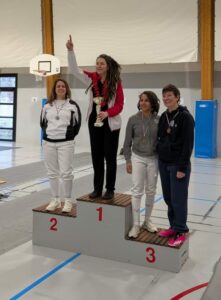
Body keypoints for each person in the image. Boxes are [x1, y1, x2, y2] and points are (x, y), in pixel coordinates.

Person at [66, 35, 124, 200]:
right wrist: (70, 51)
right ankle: (97, 188)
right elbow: (74, 69)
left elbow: (120, 104)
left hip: (110, 123)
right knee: (96, 156)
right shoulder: (92, 78)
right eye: (97, 63)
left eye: (101, 63)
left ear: (107, 66)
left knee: (109, 157)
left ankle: (110, 189)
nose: (98, 65)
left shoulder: (116, 82)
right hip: (94, 121)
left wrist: (108, 113)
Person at [157, 84, 194, 247]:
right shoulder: (164, 116)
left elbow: (188, 144)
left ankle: (181, 230)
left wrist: (182, 167)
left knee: (178, 199)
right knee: (168, 198)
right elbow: (160, 138)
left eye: (169, 95)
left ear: (177, 97)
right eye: (164, 96)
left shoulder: (185, 117)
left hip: (178, 165)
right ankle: (173, 226)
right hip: (164, 163)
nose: (166, 99)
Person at [40, 78, 81, 213]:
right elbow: (42, 123)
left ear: (66, 89)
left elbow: (77, 125)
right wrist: (49, 136)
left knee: (66, 173)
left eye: (63, 86)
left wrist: (68, 136)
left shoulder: (72, 105)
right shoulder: (47, 105)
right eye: (58, 86)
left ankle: (67, 201)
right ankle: (55, 200)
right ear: (54, 89)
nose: (61, 88)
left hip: (66, 143)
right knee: (52, 173)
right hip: (48, 143)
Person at [123, 91, 160, 238]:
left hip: (154, 158)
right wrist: (128, 160)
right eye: (141, 100)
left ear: (152, 103)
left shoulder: (159, 119)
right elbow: (127, 143)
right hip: (137, 157)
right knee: (137, 190)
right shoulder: (133, 119)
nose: (143, 103)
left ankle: (147, 221)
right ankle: (136, 225)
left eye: (146, 101)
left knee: (151, 190)